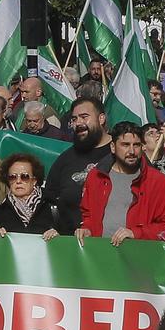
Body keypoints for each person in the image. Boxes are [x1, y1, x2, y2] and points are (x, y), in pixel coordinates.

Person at [78, 122, 165, 244]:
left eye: (136, 145)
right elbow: (88, 214)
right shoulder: (96, 176)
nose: (131, 151)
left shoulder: (160, 182)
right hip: (100, 254)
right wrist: (87, 229)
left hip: (138, 257)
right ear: (113, 147)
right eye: (125, 145)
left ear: (142, 146)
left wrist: (136, 233)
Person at [43, 98, 112, 235]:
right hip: (71, 244)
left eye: (84, 117)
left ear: (101, 118)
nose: (78, 123)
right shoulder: (65, 158)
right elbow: (49, 201)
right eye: (74, 119)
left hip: (112, 244)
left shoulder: (123, 154)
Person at [0, 152, 58, 237]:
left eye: (24, 177)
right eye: (12, 177)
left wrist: (58, 235)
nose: (18, 181)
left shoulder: (53, 206)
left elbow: (69, 236)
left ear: (34, 180)